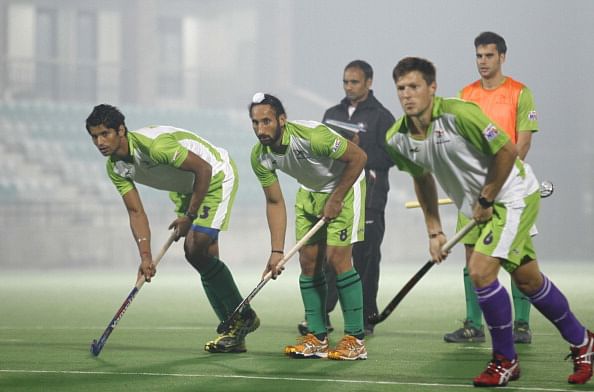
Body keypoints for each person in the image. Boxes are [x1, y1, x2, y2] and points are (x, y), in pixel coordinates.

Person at [384, 57, 593, 386]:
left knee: (480, 271)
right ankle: (584, 342)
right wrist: (434, 230)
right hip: (479, 204)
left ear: (432, 88)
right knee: (529, 281)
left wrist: (486, 197)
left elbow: (507, 152)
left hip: (513, 194)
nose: (407, 95)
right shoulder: (397, 139)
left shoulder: (458, 115)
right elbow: (422, 179)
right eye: (401, 89)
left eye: (414, 87)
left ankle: (505, 360)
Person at [85, 104, 259, 354]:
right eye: (94, 136)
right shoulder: (115, 167)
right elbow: (136, 212)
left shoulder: (154, 146)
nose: (99, 142)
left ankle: (243, 317)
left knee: (194, 248)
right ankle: (236, 329)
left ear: (121, 130)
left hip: (215, 175)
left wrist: (189, 216)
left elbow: (204, 169)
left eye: (105, 134)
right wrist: (145, 257)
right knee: (203, 258)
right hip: (186, 187)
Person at [249, 92, 368, 360]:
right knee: (308, 263)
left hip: (345, 187)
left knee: (337, 258)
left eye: (266, 121)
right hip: (309, 193)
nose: (260, 129)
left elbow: (359, 157)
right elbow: (274, 201)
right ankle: (316, 336)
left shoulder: (312, 137)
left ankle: (355, 339)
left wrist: (336, 198)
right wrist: (276, 251)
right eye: (255, 123)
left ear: (282, 119)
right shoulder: (260, 156)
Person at [444, 31, 539, 344]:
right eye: (479, 56)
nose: (483, 62)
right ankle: (474, 324)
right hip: (474, 189)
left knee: (512, 254)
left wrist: (497, 183)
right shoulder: (465, 94)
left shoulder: (519, 93)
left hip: (509, 188)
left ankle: (521, 325)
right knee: (473, 257)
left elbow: (522, 144)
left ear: (502, 57)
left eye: (489, 55)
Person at [297, 60, 395, 337]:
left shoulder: (382, 117)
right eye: (345, 82)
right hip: (334, 195)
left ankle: (365, 317)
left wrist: (355, 153)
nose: (349, 87)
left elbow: (390, 158)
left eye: (354, 82)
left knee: (365, 256)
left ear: (369, 82)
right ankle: (322, 315)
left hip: (371, 197)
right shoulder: (331, 114)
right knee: (326, 255)